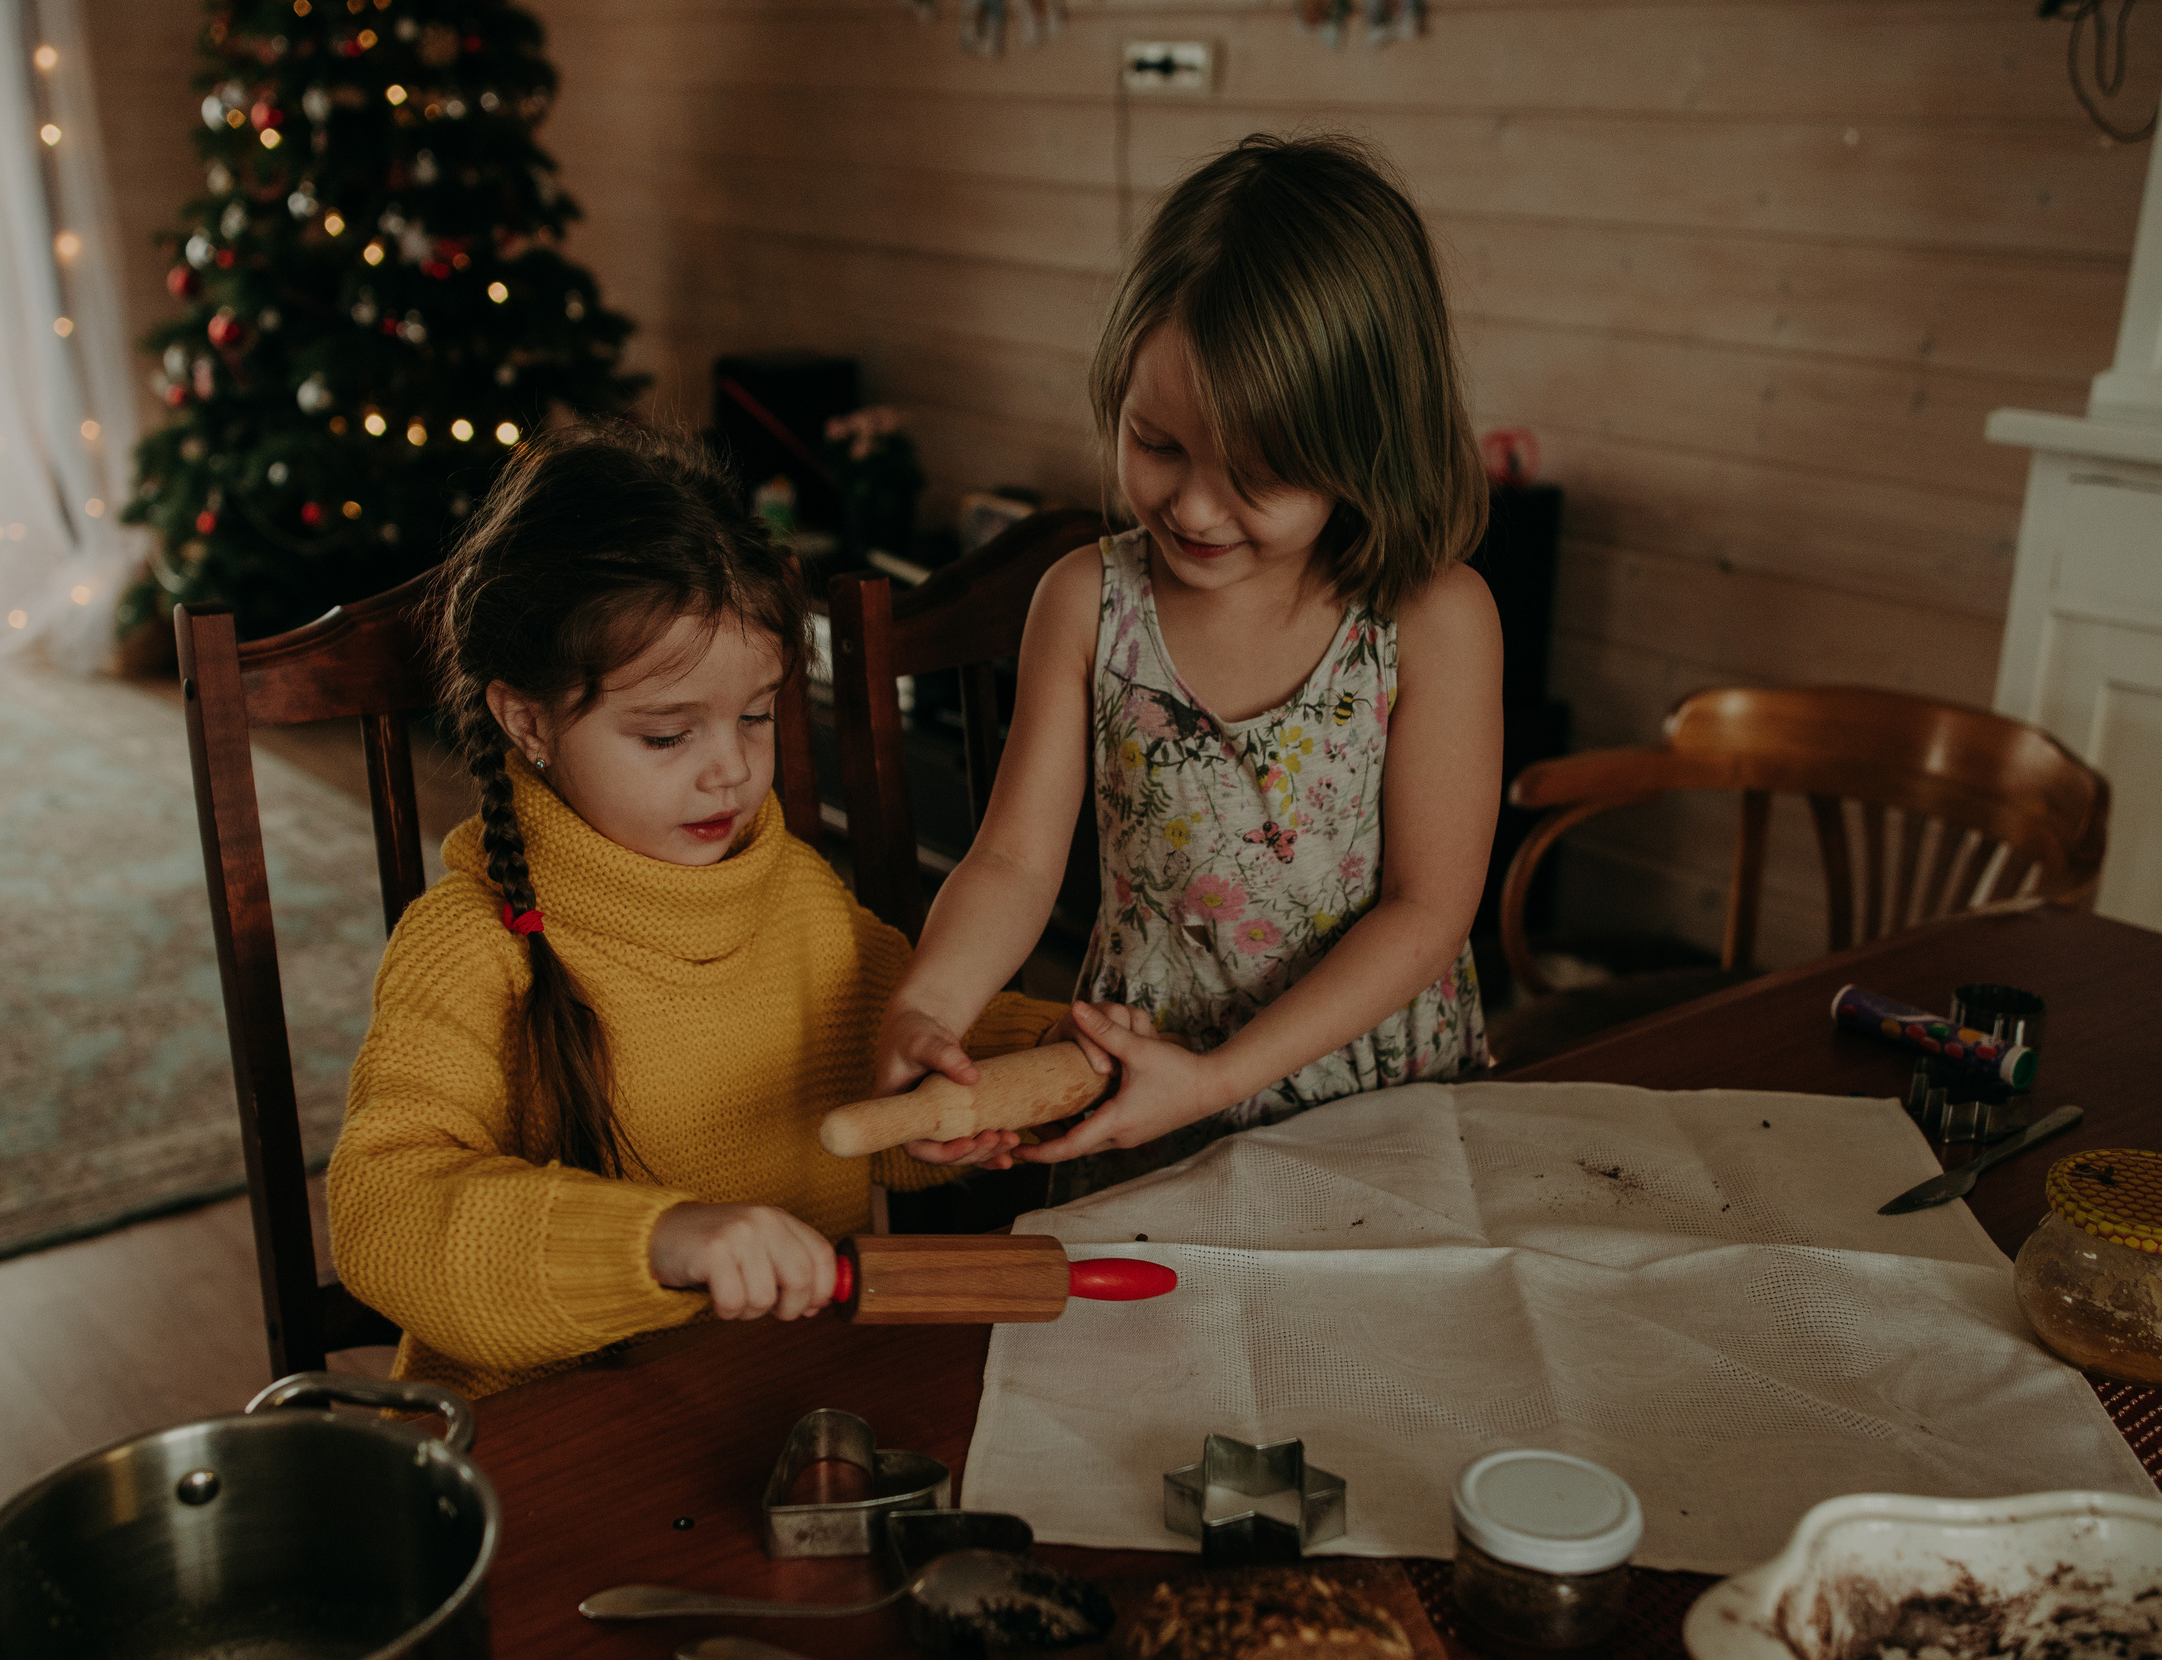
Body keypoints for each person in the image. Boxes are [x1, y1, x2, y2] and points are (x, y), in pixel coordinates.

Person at [327, 423, 1058, 1400]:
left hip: (781, 1399)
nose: (731, 768)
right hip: (559, 1444)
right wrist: (661, 1241)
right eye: (667, 736)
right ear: (527, 720)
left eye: (756, 715)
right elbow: (387, 1220)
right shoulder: (466, 948)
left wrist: (1035, 1059)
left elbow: (895, 1072)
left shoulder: (793, 890)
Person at [873, 133, 1503, 1198]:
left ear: (1368, 446)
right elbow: (1015, 864)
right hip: (1142, 1109)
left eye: (1257, 473)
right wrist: (927, 1007)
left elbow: (1424, 911)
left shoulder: (1433, 618)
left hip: (1376, 1116)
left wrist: (1216, 1079)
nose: (1195, 507)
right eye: (1155, 443)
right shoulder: (1086, 602)